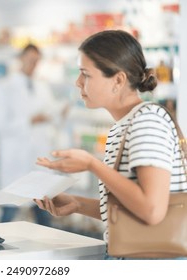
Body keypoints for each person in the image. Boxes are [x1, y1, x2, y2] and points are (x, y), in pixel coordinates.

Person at [34, 30, 187, 259]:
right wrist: (77, 204)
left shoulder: (147, 122)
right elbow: (129, 212)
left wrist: (92, 165)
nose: (78, 82)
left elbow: (152, 211)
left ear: (118, 80)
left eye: (86, 74)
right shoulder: (124, 126)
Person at [0, 43, 67, 226]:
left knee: (43, 213)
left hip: (38, 159)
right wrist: (29, 121)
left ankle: (47, 252)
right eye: (30, 59)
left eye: (37, 60)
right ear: (21, 59)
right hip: (16, 159)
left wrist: (59, 113)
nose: (33, 64)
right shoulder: (4, 87)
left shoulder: (42, 86)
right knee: (8, 213)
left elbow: (50, 115)